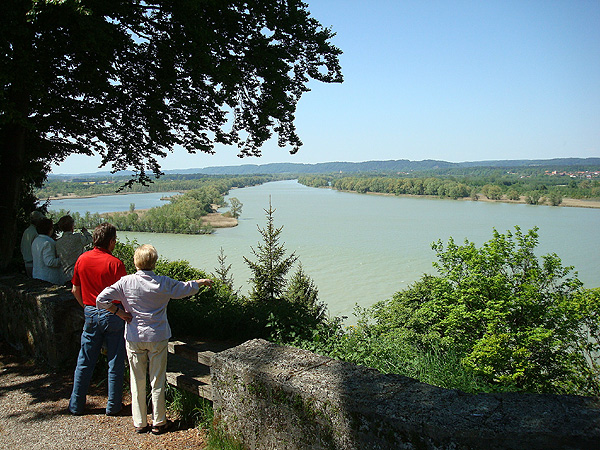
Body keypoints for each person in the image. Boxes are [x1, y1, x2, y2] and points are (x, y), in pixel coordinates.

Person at [96, 244, 212, 434]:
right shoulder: (163, 282)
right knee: (157, 380)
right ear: (154, 262)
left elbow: (101, 299)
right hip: (157, 336)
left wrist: (120, 313)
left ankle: (140, 422)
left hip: (134, 336)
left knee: (137, 380)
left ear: (136, 262)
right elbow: (184, 289)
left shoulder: (125, 282)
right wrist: (200, 282)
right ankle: (159, 422)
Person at [68, 223, 129, 416]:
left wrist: (87, 307)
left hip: (91, 312)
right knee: (115, 360)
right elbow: (125, 294)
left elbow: (75, 290)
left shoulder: (82, 259)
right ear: (111, 241)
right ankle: (113, 406)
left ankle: (76, 405)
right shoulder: (115, 263)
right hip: (113, 314)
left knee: (85, 360)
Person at [55, 215, 92, 280]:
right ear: (72, 226)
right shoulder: (77, 237)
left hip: (64, 275)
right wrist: (85, 232)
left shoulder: (58, 242)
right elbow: (90, 239)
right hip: (77, 274)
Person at [31, 217, 65, 285]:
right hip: (48, 278)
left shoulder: (36, 240)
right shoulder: (47, 243)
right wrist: (63, 259)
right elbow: (50, 262)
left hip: (37, 274)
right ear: (49, 229)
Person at [21, 211, 45, 277]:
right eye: (41, 219)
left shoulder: (27, 230)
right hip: (33, 263)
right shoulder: (34, 232)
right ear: (37, 220)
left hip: (27, 262)